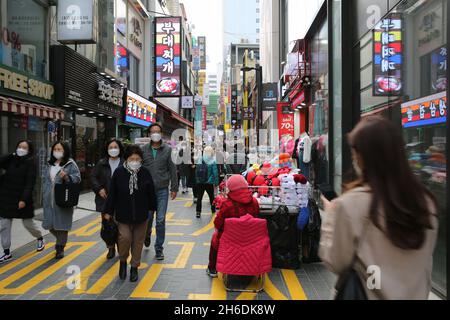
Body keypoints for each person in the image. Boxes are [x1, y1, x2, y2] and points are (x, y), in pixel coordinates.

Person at [319, 116, 438, 300]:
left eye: (355, 153)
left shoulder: (351, 205)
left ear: (363, 157)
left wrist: (331, 216)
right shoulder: (425, 203)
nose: (354, 159)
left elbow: (335, 262)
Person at [103, 145, 157, 282]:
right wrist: (108, 212)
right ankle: (122, 261)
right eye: (131, 159)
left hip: (141, 215)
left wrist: (153, 209)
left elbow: (151, 193)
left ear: (141, 160)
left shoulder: (145, 172)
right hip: (122, 215)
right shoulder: (119, 173)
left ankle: (134, 267)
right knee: (125, 239)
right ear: (126, 159)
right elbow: (112, 194)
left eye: (137, 159)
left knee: (138, 242)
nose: (134, 161)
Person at [0, 140, 45, 263]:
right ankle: (6, 252)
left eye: (24, 147)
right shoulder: (11, 160)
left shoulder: (31, 163)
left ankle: (40, 238)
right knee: (4, 225)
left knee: (28, 224)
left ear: (29, 150)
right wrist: (12, 154)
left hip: (22, 199)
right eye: (19, 146)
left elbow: (29, 184)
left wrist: (23, 200)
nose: (21, 149)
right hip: (7, 197)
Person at [206, 174, 259, 277]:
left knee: (214, 238)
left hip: (230, 242)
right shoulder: (254, 202)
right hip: (251, 241)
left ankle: (212, 268)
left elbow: (217, 223)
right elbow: (256, 219)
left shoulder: (227, 205)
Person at [142, 123, 178, 260]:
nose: (155, 134)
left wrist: (174, 188)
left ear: (161, 134)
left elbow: (172, 169)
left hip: (162, 190)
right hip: (147, 192)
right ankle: (146, 234)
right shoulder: (143, 149)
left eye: (157, 131)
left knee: (161, 220)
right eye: (153, 131)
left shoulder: (168, 150)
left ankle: (159, 248)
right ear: (149, 134)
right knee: (148, 218)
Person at [42, 141, 81, 259]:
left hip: (64, 198)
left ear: (65, 151)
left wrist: (67, 177)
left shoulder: (70, 163)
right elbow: (45, 180)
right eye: (55, 149)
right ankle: (60, 241)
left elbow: (78, 178)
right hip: (49, 199)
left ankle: (60, 248)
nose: (57, 152)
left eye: (60, 150)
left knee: (63, 226)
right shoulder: (50, 164)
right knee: (49, 224)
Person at [91, 138, 124, 259]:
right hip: (105, 200)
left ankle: (122, 247)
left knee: (121, 226)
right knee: (107, 225)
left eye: (115, 147)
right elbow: (93, 177)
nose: (113, 149)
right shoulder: (102, 163)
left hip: (121, 201)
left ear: (120, 149)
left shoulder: (125, 162)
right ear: (107, 149)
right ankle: (110, 247)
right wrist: (99, 189)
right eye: (111, 147)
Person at [195, 146, 219, 219]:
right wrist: (216, 182)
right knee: (211, 197)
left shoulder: (200, 159)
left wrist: (197, 180)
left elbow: (196, 171)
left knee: (199, 197)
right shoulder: (212, 160)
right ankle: (213, 210)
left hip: (200, 182)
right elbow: (215, 173)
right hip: (209, 182)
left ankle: (198, 212)